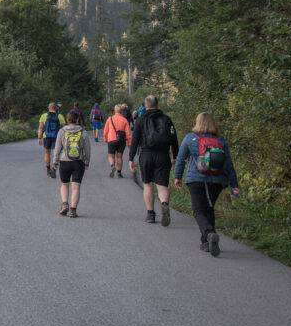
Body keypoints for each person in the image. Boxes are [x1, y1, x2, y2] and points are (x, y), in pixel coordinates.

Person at [173, 112, 240, 256]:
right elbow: (229, 165)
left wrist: (177, 177)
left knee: (198, 210)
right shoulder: (221, 141)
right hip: (217, 181)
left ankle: (209, 234)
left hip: (196, 179)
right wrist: (234, 185)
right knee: (209, 209)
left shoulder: (190, 138)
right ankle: (206, 242)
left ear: (197, 123)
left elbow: (180, 159)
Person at [129, 95, 179, 225]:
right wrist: (175, 156)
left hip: (146, 155)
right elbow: (174, 140)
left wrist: (131, 158)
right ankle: (164, 204)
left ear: (146, 105)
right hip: (163, 155)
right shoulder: (167, 119)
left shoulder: (140, 120)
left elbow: (134, 141)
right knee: (162, 186)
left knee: (147, 185)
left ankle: (150, 214)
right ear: (158, 104)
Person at [52, 110, 91, 218]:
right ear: (78, 119)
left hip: (64, 161)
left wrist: (55, 161)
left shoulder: (62, 131)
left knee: (64, 184)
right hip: (78, 162)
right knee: (76, 187)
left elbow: (57, 147)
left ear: (67, 120)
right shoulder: (83, 132)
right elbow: (87, 148)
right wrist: (87, 161)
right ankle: (73, 210)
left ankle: (65, 204)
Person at [103, 104, 130, 178]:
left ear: (115, 110)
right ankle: (119, 173)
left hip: (111, 139)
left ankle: (112, 165)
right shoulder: (125, 120)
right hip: (121, 140)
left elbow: (105, 130)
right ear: (121, 111)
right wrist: (129, 142)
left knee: (110, 155)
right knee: (119, 157)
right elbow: (128, 133)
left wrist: (105, 138)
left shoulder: (110, 119)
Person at [38, 103, 64, 178]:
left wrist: (39, 137)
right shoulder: (60, 116)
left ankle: (48, 169)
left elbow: (40, 128)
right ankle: (54, 168)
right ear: (56, 108)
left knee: (47, 153)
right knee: (57, 153)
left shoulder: (44, 116)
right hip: (57, 137)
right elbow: (63, 129)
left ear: (48, 108)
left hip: (47, 137)